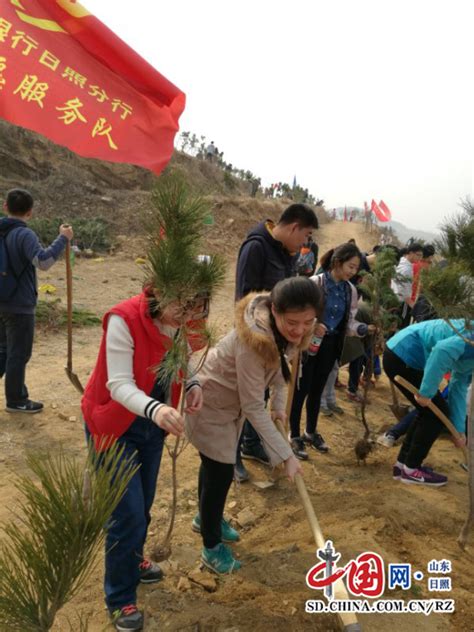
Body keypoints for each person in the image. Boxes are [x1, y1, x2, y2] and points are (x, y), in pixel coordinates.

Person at [81, 286, 206, 631]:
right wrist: (156, 408)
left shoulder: (181, 321)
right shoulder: (124, 318)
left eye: (195, 305)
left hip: (152, 426)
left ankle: (132, 561)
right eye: (182, 302)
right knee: (128, 513)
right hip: (113, 423)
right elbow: (119, 383)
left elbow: (182, 360)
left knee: (144, 501)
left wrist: (192, 384)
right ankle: (120, 598)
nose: (188, 312)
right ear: (162, 289)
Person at [186, 277, 322, 573]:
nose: (300, 330)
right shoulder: (251, 342)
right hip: (210, 404)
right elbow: (252, 405)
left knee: (214, 468)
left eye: (307, 322)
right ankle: (210, 547)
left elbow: (281, 368)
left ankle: (205, 518)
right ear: (274, 311)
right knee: (219, 472)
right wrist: (285, 456)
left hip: (230, 407)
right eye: (293, 322)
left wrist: (278, 406)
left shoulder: (286, 332)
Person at [234, 203, 319, 481]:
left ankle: (250, 444)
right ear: (294, 227)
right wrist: (259, 332)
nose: (305, 242)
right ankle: (231, 455)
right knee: (244, 397)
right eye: (305, 235)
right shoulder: (256, 246)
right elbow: (245, 295)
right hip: (255, 335)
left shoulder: (286, 253)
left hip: (278, 334)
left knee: (265, 390)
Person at [289, 243, 375, 457]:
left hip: (331, 346)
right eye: (351, 266)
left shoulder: (350, 290)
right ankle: (294, 435)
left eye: (356, 268)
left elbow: (349, 323)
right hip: (309, 345)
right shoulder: (315, 283)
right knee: (301, 390)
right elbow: (297, 313)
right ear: (337, 262)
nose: (353, 272)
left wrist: (363, 329)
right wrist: (312, 325)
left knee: (317, 390)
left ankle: (310, 432)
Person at [0, 188, 73, 413]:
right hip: (19, 305)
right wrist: (63, 238)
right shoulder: (24, 235)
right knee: (18, 353)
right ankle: (16, 400)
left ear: (5, 207)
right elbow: (43, 261)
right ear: (30, 213)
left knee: (3, 350)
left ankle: (15, 395)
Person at [383, 319, 473, 486]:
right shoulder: (471, 337)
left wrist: (458, 430)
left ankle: (402, 466)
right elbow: (442, 350)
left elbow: (458, 385)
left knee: (428, 413)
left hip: (401, 354)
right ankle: (411, 469)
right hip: (405, 354)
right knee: (435, 415)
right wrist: (427, 391)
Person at [391, 241, 423, 328]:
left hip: (395, 299)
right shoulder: (406, 269)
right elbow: (402, 291)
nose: (419, 258)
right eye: (418, 255)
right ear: (411, 253)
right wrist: (412, 305)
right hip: (403, 303)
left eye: (421, 256)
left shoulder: (402, 262)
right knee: (401, 326)